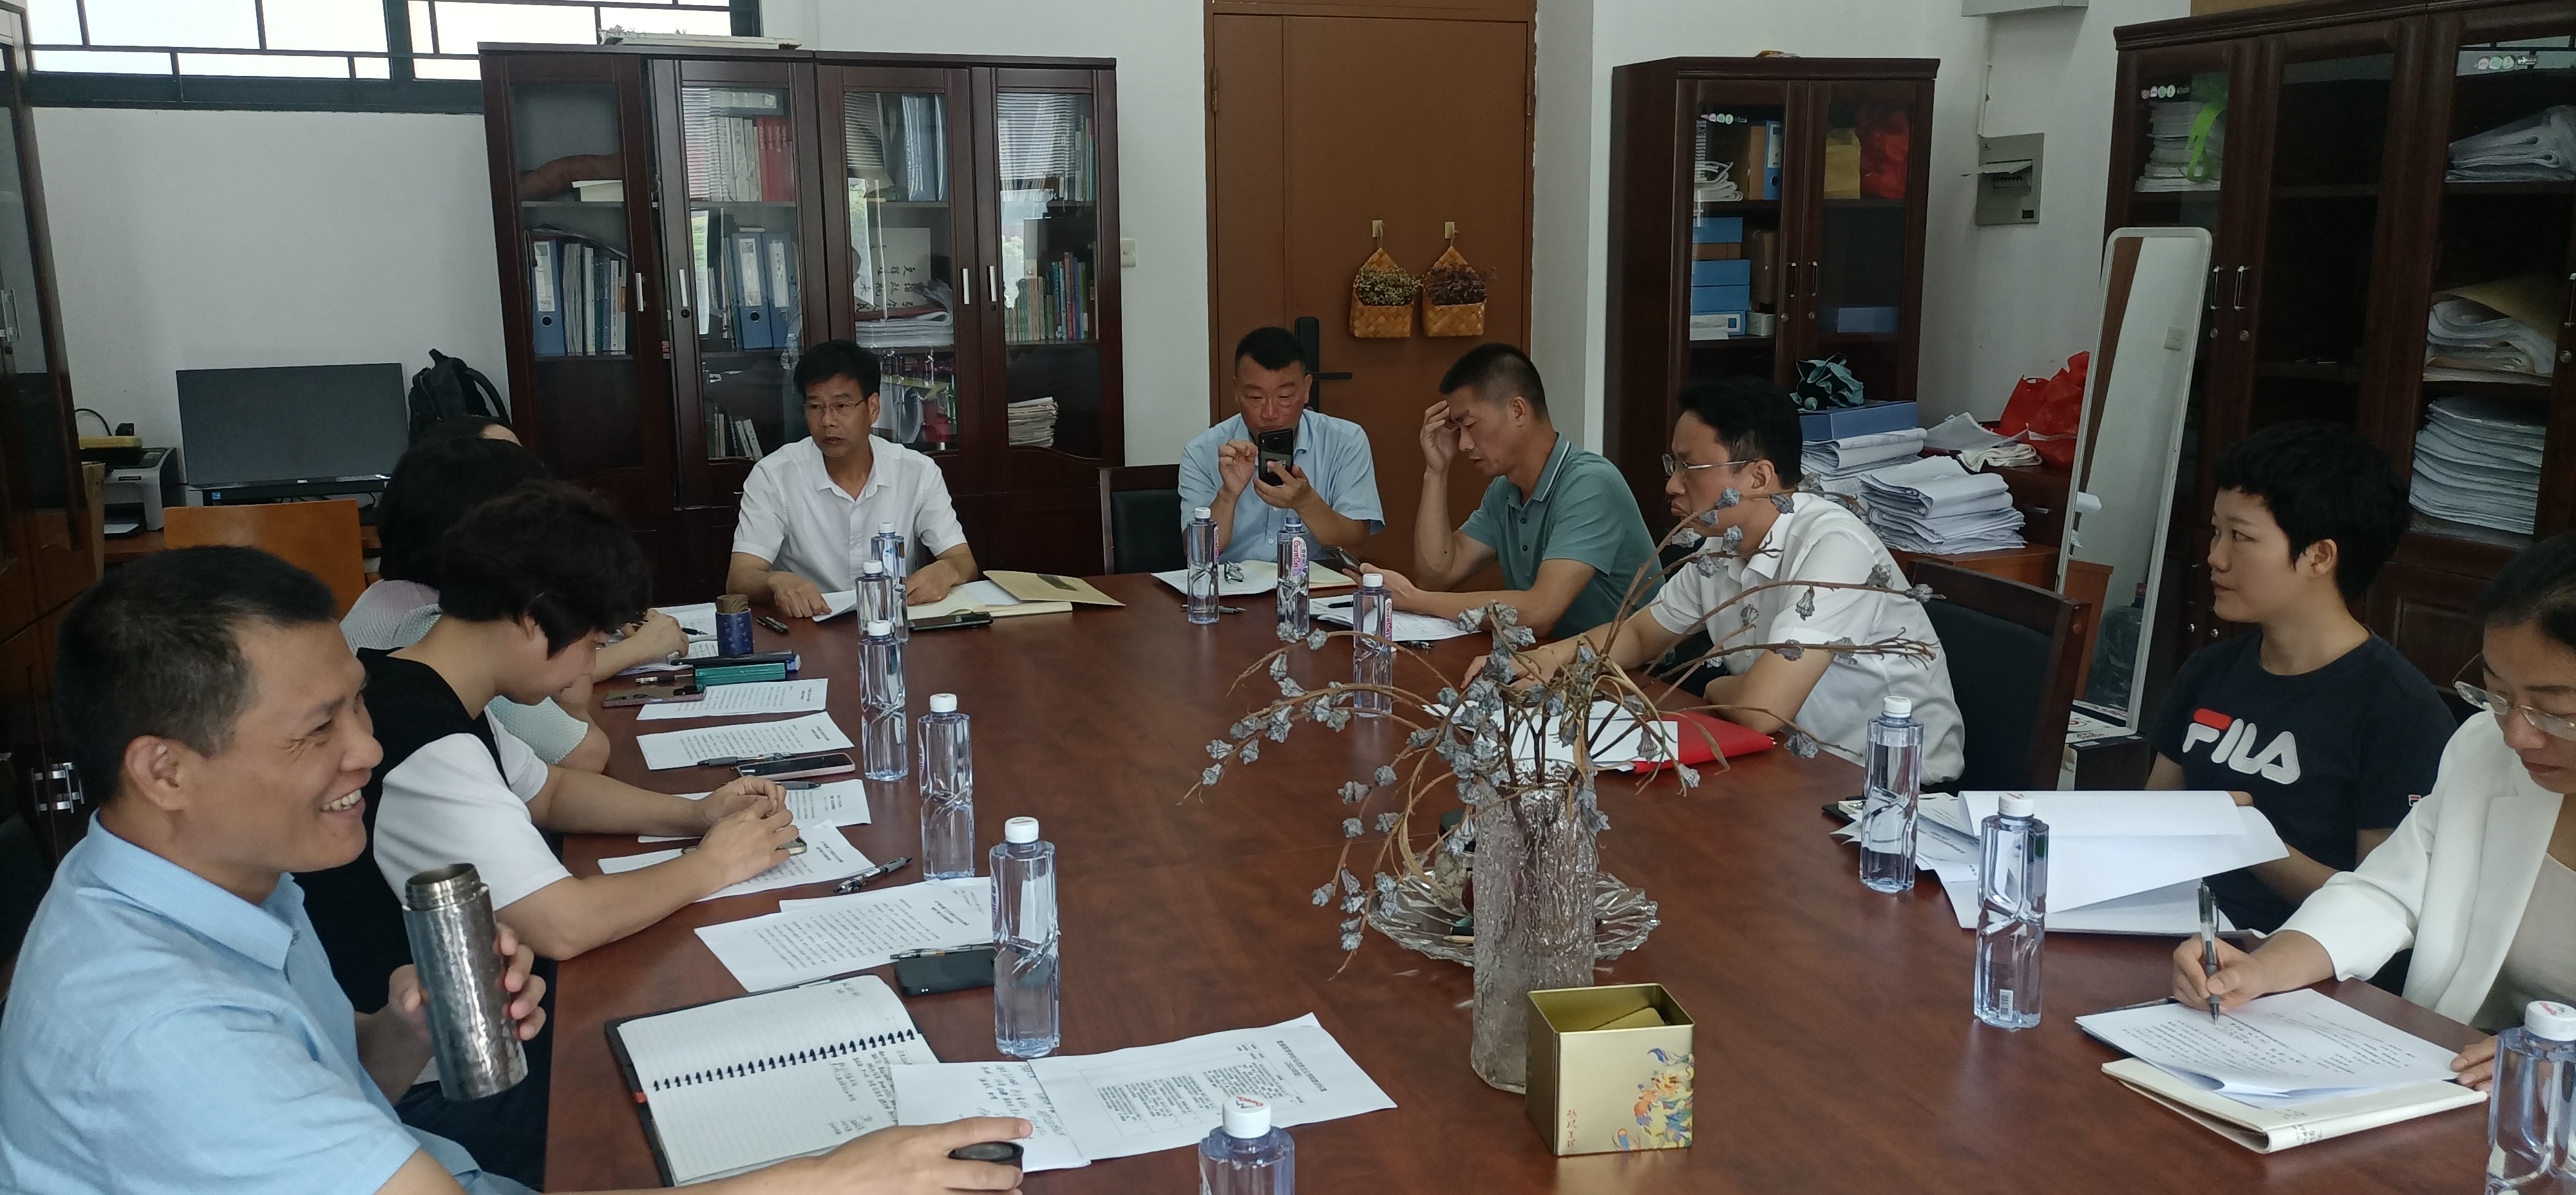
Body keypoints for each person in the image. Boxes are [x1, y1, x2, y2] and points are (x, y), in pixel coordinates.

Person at [0, 545, 1032, 1194]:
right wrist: (831, 1181)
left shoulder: (222, 880)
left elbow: (337, 1076)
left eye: (359, 704)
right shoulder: (161, 1030)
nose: (367, 751)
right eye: (319, 729)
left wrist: (401, 1032)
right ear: (165, 770)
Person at [2173, 532, 2576, 1093]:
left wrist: (2560, 1056)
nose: (2516, 735)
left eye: (2554, 711)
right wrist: (2264, 966)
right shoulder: (2485, 751)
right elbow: (2388, 891)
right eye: (2498, 695)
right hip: (2473, 1076)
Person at [1505, 377, 1964, 778]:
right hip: (1789, 763)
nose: (1672, 485)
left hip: (1892, 788)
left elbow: (1760, 709)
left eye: (1689, 467)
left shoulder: (1835, 546)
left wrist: (1713, 686)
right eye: (1673, 465)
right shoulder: (1723, 546)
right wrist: (1548, 659)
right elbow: (1642, 634)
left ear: (1758, 478)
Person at [2145, 422, 2450, 933]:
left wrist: (2248, 839)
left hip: (2293, 958)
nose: (2216, 556)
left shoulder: (2400, 711)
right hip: (2169, 927)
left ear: (2319, 556)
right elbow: (2151, 823)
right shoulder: (2209, 670)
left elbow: (2383, 908)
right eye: (2217, 532)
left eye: (2241, 537)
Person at [342, 435, 688, 775]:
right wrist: (629, 652)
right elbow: (581, 754)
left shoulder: (385, 599)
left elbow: (539, 785)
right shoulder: (441, 635)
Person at [1368, 343, 1656, 637]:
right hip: (1553, 656)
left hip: (1631, 664)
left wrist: (1415, 600)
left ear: (1517, 411)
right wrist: (1436, 472)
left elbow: (1541, 611)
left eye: (1470, 425)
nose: (1464, 444)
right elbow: (1437, 575)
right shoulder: (1504, 490)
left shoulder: (1591, 485)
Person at [728, 340, 978, 614]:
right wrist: (776, 581)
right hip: (810, 624)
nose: (827, 421)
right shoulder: (773, 476)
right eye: (815, 407)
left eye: (842, 405)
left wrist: (948, 570)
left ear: (873, 408)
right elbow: (740, 578)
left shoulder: (917, 471)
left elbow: (963, 561)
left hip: (894, 622)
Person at [1177, 326, 1383, 563]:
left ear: (1306, 389)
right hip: (1233, 582)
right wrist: (1228, 495)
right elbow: (1197, 554)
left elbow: (1356, 549)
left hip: (1313, 582)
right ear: (1237, 391)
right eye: (1256, 397)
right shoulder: (1202, 451)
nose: (1270, 413)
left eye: (1284, 397)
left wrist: (1306, 502)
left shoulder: (1345, 441)